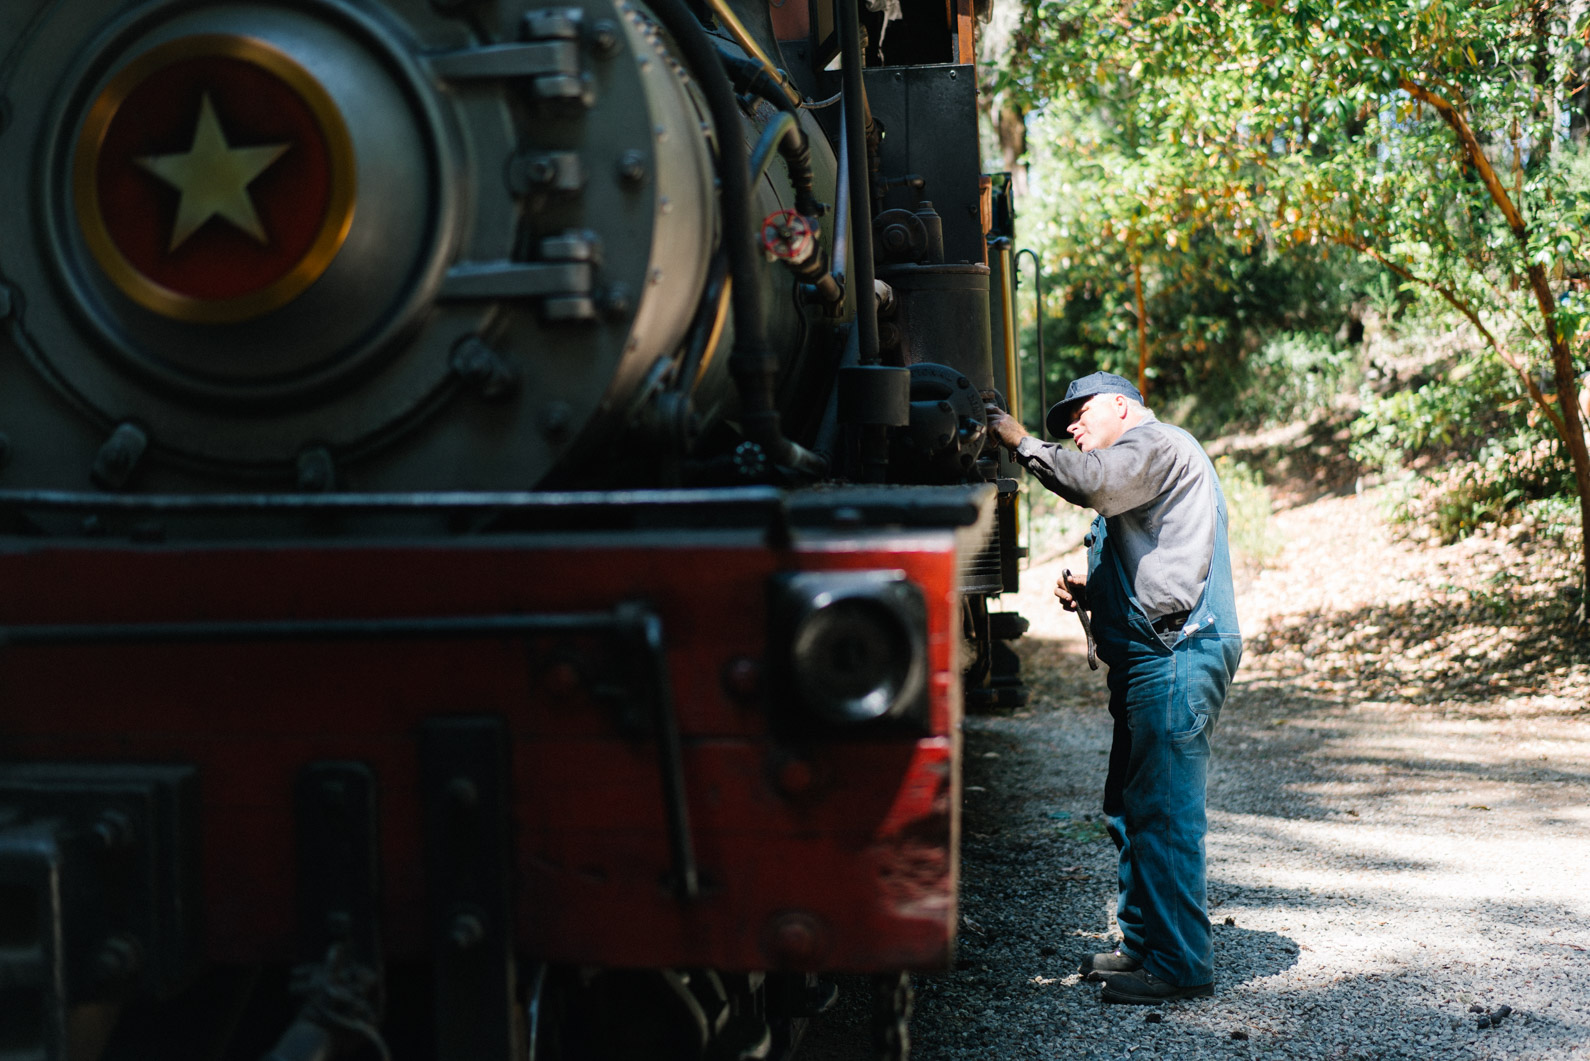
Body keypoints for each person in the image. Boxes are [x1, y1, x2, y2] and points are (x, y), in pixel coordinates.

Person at [984, 371, 1242, 1005]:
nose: (1071, 427)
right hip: (1153, 655)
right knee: (1131, 810)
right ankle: (1143, 945)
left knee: (1164, 814)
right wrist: (1093, 592)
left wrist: (1017, 439)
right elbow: (1154, 561)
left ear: (1123, 406)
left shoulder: (1156, 444)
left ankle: (1181, 965)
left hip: (1177, 654)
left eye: (1080, 413)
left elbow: (1093, 483)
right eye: (1063, 423)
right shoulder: (1145, 459)